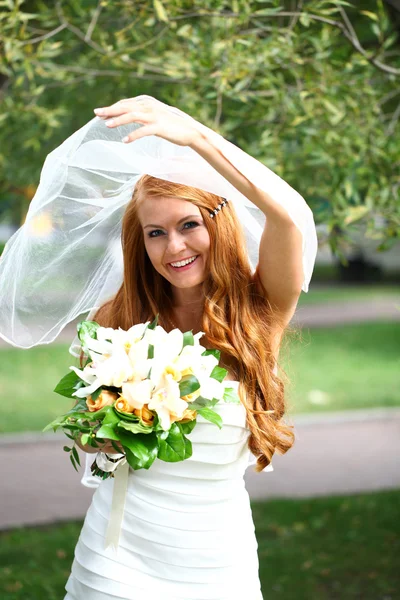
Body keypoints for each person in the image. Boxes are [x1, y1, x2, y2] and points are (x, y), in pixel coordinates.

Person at [0, 95, 317, 599]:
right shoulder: (116, 321)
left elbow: (288, 219)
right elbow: (90, 438)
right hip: (117, 555)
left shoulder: (260, 311)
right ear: (139, 243)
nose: (174, 248)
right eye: (156, 232)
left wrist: (195, 138)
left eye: (189, 224)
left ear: (218, 222)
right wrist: (100, 436)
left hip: (219, 559)